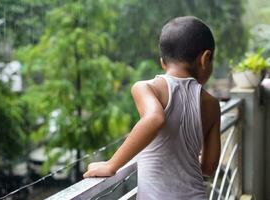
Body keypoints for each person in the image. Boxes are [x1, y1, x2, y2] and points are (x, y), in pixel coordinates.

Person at [83, 16, 221, 200]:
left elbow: (154, 119)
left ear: (163, 62)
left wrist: (111, 165)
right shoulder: (212, 104)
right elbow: (209, 167)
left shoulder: (147, 88)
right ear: (205, 58)